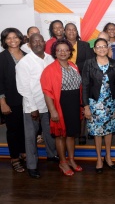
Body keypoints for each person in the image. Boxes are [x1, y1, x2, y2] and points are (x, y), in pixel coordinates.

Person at [15, 33, 58, 178]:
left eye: (40, 41)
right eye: (35, 41)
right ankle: (32, 165)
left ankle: (52, 155)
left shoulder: (50, 58)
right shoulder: (24, 62)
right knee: (31, 137)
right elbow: (23, 87)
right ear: (29, 44)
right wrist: (33, 108)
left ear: (45, 42)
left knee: (49, 132)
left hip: (48, 104)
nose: (38, 43)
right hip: (32, 106)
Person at [41, 39, 82, 177]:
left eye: (65, 50)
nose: (63, 52)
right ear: (55, 52)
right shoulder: (49, 70)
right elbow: (47, 92)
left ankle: (71, 160)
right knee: (60, 136)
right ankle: (62, 162)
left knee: (71, 134)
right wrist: (52, 110)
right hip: (60, 105)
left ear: (70, 52)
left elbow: (79, 87)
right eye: (59, 50)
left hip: (74, 104)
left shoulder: (73, 66)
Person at [82, 38, 115, 174]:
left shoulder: (114, 64)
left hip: (111, 102)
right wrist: (86, 106)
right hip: (94, 103)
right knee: (97, 132)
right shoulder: (89, 63)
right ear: (94, 49)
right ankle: (99, 158)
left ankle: (108, 157)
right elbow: (85, 86)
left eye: (104, 46)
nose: (101, 49)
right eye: (98, 47)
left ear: (108, 48)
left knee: (109, 131)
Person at [0, 28, 26, 173]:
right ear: (4, 41)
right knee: (13, 130)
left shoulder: (27, 56)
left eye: (15, 37)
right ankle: (14, 158)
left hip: (26, 100)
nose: (12, 40)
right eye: (8, 38)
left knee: (25, 129)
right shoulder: (2, 57)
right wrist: (2, 102)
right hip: (10, 101)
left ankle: (23, 152)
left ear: (20, 39)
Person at [64, 22, 94, 145]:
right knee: (69, 108)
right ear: (65, 32)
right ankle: (70, 132)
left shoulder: (85, 45)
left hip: (82, 80)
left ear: (77, 32)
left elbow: (89, 62)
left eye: (74, 30)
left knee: (82, 106)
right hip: (64, 83)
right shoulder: (60, 45)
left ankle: (81, 133)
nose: (71, 32)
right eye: (69, 30)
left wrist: (72, 66)